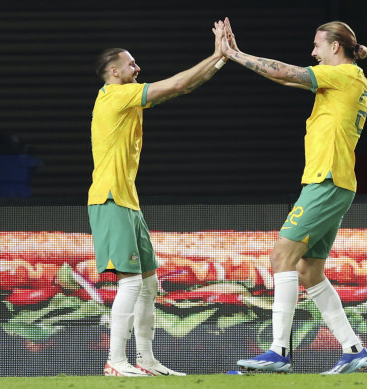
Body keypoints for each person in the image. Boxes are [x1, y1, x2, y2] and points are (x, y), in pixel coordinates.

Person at [222, 18, 367, 374]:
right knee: (308, 270)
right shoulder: (347, 80)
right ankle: (354, 349)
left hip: (328, 180)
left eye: (317, 45)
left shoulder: (345, 75)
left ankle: (279, 352)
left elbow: (286, 72)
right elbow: (285, 77)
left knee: (281, 257)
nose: (313, 52)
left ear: (335, 47)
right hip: (334, 182)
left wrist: (235, 54)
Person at [88, 21, 228, 377]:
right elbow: (178, 83)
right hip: (110, 199)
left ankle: (146, 361)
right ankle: (115, 362)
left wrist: (221, 60)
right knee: (131, 282)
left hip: (128, 201)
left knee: (148, 283)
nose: (138, 68)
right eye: (132, 64)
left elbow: (181, 89)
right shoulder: (117, 95)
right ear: (115, 71)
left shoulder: (126, 96)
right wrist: (214, 53)